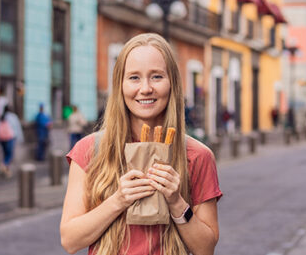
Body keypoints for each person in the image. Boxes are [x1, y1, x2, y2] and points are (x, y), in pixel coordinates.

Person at [60, 33, 221, 255]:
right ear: (120, 85)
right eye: (134, 78)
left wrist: (176, 202)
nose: (145, 88)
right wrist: (118, 200)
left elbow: (206, 249)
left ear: (172, 83)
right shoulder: (89, 151)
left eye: (156, 77)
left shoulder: (197, 156)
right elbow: (69, 240)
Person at [0, 102, 23, 177]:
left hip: (1, 139)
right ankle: (3, 165)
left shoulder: (1, 117)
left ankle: (6, 170)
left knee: (5, 154)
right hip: (10, 138)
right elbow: (17, 128)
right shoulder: (13, 117)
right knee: (9, 155)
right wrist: (20, 138)